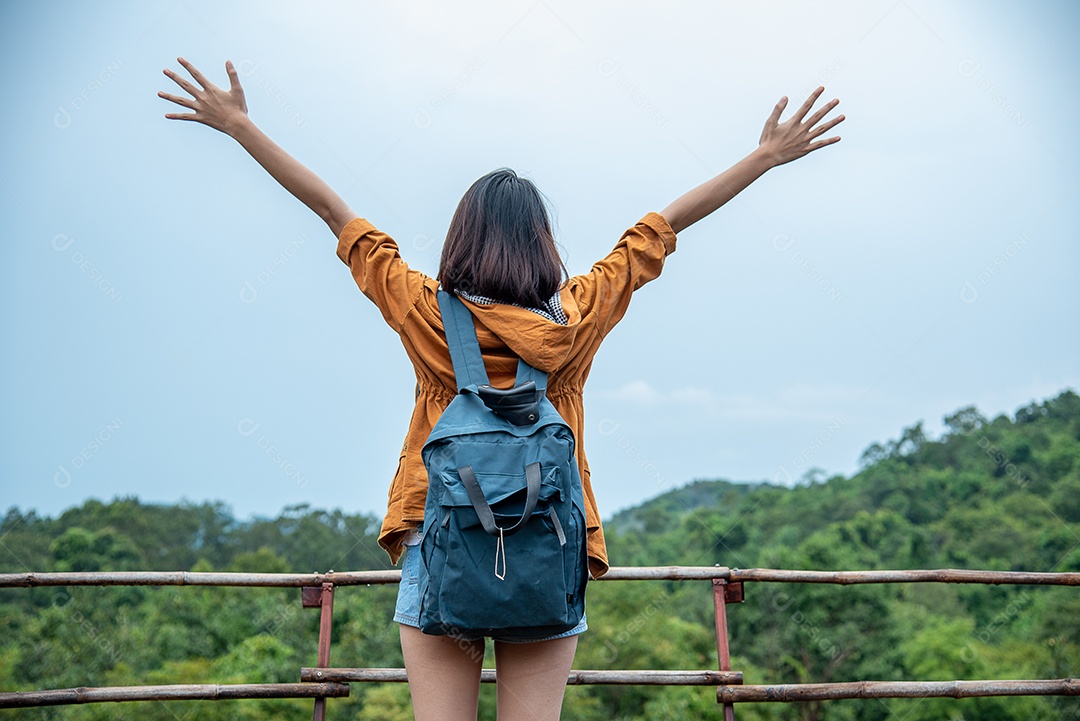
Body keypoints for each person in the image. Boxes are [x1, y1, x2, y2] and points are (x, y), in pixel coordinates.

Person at [159, 57, 843, 721]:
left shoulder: (425, 309)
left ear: (461, 238)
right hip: (546, 547)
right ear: (543, 244)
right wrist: (764, 157)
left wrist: (241, 126)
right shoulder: (578, 313)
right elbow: (657, 229)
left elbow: (337, 215)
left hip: (442, 538)